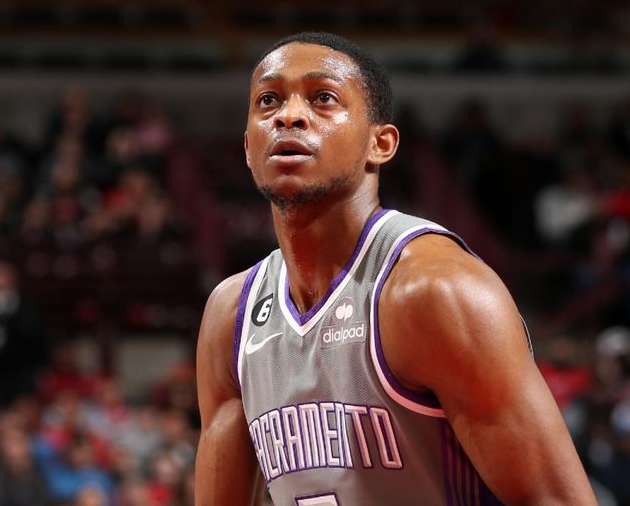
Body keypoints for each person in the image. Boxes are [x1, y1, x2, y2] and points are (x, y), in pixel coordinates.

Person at [195, 32, 597, 505]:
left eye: (323, 98)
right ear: (247, 147)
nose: (289, 115)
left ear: (380, 144)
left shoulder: (438, 290)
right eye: (268, 101)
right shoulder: (231, 316)